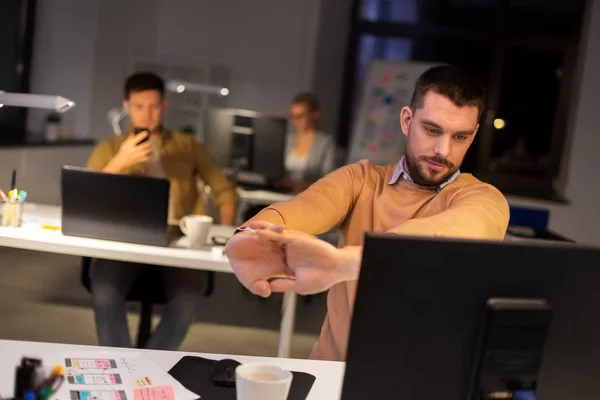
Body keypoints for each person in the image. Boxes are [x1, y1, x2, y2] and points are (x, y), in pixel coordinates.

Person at [226, 66, 510, 361]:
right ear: (407, 120)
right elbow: (302, 209)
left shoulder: (483, 199)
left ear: (475, 134)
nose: (443, 150)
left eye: (460, 137)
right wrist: (249, 238)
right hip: (331, 375)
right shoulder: (359, 181)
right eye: (432, 130)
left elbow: (456, 234)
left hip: (417, 384)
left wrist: (346, 264)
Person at [86, 71, 238, 350]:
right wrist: (119, 163)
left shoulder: (186, 146)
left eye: (154, 106)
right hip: (124, 241)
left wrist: (226, 232)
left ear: (164, 105)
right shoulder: (111, 148)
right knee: (105, 290)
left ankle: (149, 364)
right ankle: (121, 364)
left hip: (176, 243)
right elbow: (85, 195)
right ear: (127, 106)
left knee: (189, 296)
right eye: (139, 106)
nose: (147, 114)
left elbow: (224, 188)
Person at [278, 92, 336, 193]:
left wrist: (300, 185)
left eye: (300, 116)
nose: (295, 121)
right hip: (282, 196)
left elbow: (329, 180)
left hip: (309, 199)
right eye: (293, 116)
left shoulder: (325, 144)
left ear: (315, 114)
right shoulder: (288, 140)